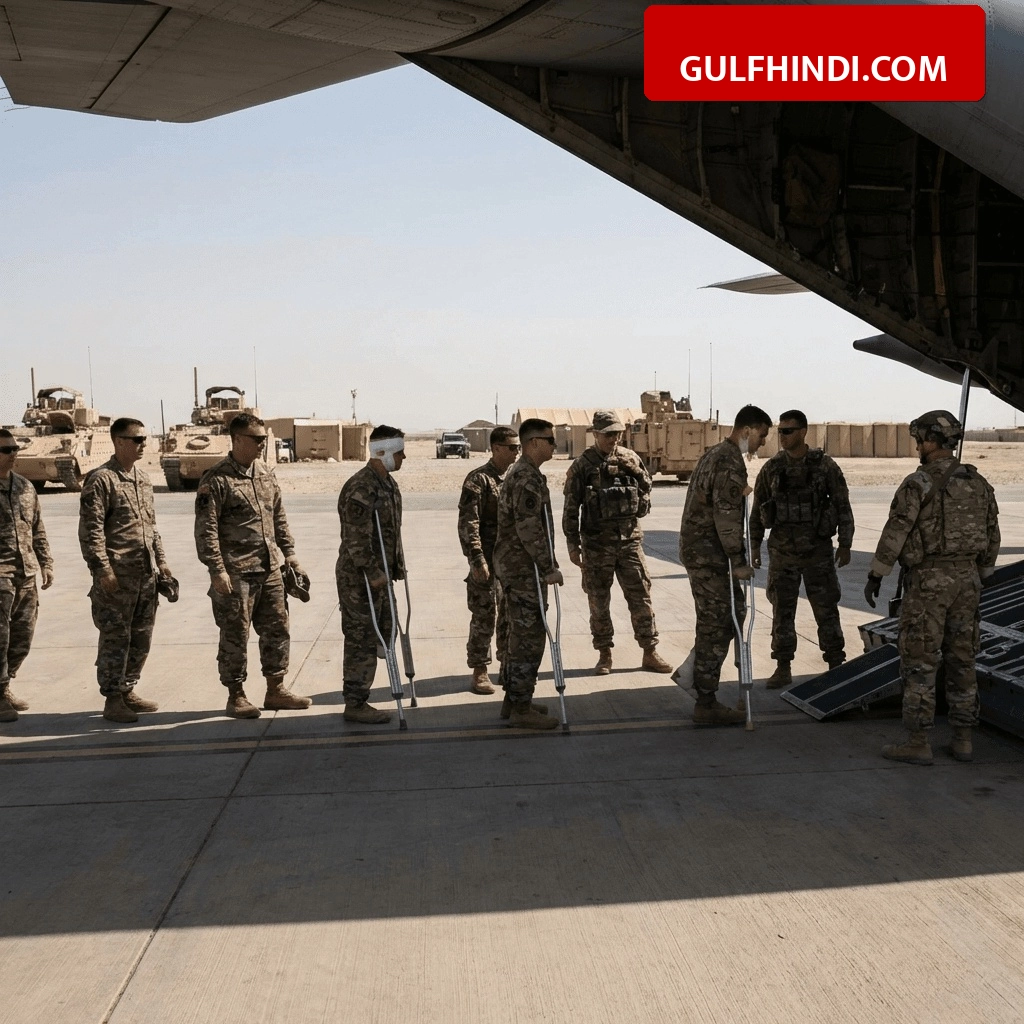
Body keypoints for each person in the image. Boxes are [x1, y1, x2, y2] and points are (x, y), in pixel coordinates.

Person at [864, 410, 999, 765]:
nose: (917, 447)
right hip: (967, 581)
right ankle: (963, 739)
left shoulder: (918, 483)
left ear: (931, 441)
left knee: (920, 661)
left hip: (928, 583)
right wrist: (981, 572)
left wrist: (877, 574)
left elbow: (896, 531)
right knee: (963, 659)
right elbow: (992, 534)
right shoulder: (979, 483)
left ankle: (918, 741)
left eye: (919, 440)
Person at [195, 412, 311, 718]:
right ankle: (236, 695)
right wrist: (217, 569)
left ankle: (276, 689)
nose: (262, 444)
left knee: (277, 629)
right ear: (236, 439)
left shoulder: (265, 473)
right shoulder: (216, 480)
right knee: (235, 635)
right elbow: (206, 530)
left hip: (270, 568)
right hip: (236, 573)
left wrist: (290, 554)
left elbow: (278, 517)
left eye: (263, 439)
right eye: (256, 439)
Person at [678, 405, 772, 725]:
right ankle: (705, 700)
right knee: (718, 621)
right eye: (761, 435)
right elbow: (727, 517)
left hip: (702, 552)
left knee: (731, 613)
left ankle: (696, 676)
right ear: (747, 430)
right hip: (710, 555)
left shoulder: (714, 453)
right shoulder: (730, 461)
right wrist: (739, 561)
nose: (763, 442)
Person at [749, 409, 854, 688]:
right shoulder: (772, 468)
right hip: (782, 553)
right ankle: (783, 666)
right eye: (780, 431)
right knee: (782, 612)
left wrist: (845, 543)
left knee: (826, 608)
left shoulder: (825, 466)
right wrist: (754, 546)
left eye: (788, 431)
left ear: (803, 432)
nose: (782, 436)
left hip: (817, 552)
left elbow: (842, 504)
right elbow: (758, 508)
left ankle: (835, 663)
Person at [562, 410, 671, 675]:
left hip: (629, 542)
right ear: (596, 434)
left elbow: (646, 488)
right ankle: (604, 654)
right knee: (599, 601)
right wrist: (573, 545)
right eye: (609, 434)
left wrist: (635, 480)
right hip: (596, 546)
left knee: (641, 597)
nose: (614, 439)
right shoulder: (582, 465)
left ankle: (649, 651)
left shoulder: (630, 458)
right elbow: (570, 508)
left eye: (617, 434)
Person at [79, 418, 173, 723]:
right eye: (137, 439)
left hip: (145, 574)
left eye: (144, 439)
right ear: (119, 442)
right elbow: (91, 532)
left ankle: (128, 688)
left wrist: (162, 562)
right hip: (117, 577)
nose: (143, 444)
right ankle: (112, 698)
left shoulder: (142, 479)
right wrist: (102, 571)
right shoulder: (101, 480)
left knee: (141, 637)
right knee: (116, 638)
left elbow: (151, 526)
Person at [493, 418, 562, 730]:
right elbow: (529, 528)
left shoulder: (524, 473)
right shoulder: (526, 478)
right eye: (550, 440)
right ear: (534, 443)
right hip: (524, 571)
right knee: (528, 638)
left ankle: (515, 699)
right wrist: (548, 568)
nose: (554, 445)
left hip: (518, 568)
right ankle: (521, 706)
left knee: (517, 634)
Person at [335, 425, 407, 724]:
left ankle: (364, 693)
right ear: (383, 451)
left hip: (382, 575)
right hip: (360, 577)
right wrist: (372, 570)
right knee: (362, 638)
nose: (404, 457)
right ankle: (355, 702)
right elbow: (355, 537)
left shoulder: (387, 484)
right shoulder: (361, 487)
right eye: (399, 452)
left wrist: (395, 566)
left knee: (386, 633)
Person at [458, 426, 520, 695]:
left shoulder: (516, 478)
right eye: (512, 447)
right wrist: (476, 558)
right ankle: (480, 670)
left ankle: (506, 665)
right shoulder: (479, 479)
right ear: (495, 449)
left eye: (518, 447)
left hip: (511, 561)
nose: (516, 452)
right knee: (484, 614)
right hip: (486, 558)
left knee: (509, 615)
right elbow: (468, 522)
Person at [0, 429, 53, 723]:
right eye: (6, 450)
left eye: (15, 448)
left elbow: (37, 528)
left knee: (22, 637)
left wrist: (46, 563)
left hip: (25, 573)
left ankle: (4, 685)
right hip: (0, 575)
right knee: (0, 638)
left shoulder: (24, 487)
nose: (13, 454)